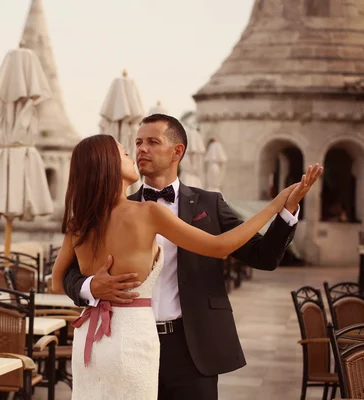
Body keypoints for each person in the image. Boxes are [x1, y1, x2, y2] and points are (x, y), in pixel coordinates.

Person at [54, 115, 322, 400]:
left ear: (177, 151)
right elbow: (69, 275)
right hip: (125, 338)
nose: (141, 149)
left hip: (191, 346)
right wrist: (90, 287)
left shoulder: (209, 204)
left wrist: (286, 211)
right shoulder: (110, 212)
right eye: (137, 143)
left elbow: (264, 257)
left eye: (152, 142)